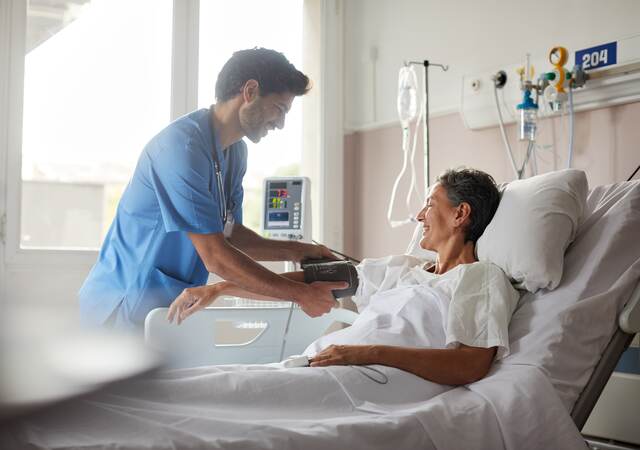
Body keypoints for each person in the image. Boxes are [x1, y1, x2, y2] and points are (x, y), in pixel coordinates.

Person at [168, 168, 521, 386]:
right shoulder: (402, 268)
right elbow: (308, 282)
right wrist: (222, 287)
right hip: (321, 364)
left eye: (430, 204)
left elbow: (469, 365)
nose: (419, 215)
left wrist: (366, 353)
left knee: (210, 397)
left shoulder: (480, 278)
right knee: (195, 386)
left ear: (460, 214)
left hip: (366, 380)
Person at [79, 48, 344, 329]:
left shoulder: (235, 152)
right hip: (120, 305)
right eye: (279, 109)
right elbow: (217, 257)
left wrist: (298, 251)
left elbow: (230, 236)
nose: (280, 124)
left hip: (165, 306)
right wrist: (301, 294)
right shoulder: (181, 149)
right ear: (250, 91)